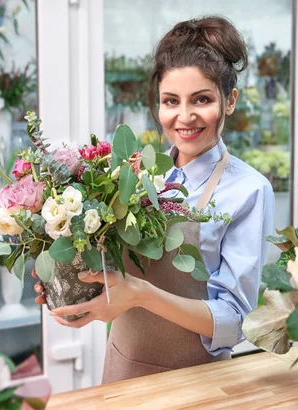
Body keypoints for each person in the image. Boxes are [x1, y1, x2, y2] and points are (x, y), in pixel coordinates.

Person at [32, 15, 275, 384]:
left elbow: (236, 322)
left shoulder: (248, 191)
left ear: (230, 101)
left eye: (203, 99)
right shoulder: (135, 176)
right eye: (170, 101)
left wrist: (141, 294)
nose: (185, 116)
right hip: (122, 371)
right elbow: (115, 279)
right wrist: (70, 281)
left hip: (197, 382)